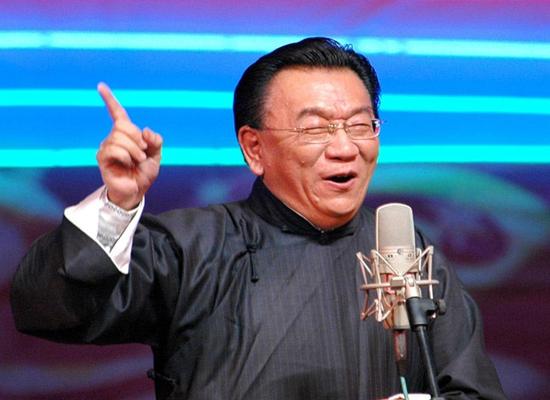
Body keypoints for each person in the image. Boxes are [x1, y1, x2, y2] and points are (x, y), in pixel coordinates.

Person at [11, 37, 506, 399]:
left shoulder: (403, 253)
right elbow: (51, 308)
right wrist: (118, 203)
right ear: (254, 148)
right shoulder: (192, 246)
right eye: (315, 129)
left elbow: (471, 390)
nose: (345, 148)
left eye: (361, 125)